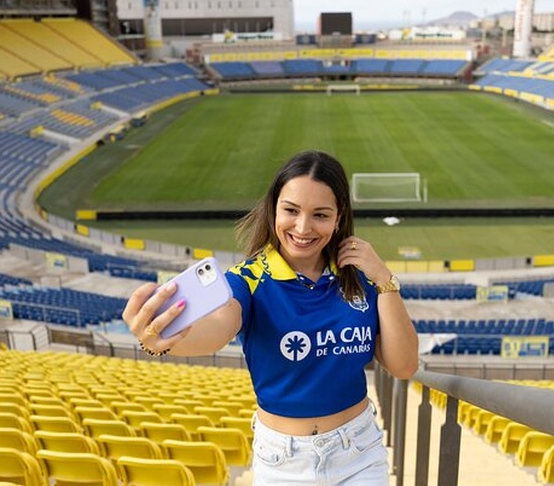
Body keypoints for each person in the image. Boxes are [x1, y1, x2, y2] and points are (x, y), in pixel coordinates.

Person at [122, 149, 419, 485]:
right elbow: (219, 328)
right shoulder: (247, 279)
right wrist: (160, 339)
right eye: (291, 211)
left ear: (339, 218)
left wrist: (384, 280)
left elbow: (404, 366)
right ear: (273, 209)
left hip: (359, 453)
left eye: (320, 215)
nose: (303, 227)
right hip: (282, 462)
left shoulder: (361, 274)